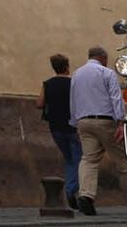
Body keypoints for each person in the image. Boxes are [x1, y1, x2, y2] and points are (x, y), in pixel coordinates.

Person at [69, 46, 127, 216]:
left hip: (83, 121)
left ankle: (86, 195)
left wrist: (75, 122)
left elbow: (73, 100)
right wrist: (121, 122)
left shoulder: (77, 74)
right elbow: (116, 98)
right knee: (122, 163)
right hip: (105, 121)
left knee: (88, 160)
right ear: (102, 58)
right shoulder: (107, 73)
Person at [37, 53, 80, 209]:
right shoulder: (72, 83)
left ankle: (71, 187)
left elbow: (39, 103)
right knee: (78, 158)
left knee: (69, 158)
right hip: (72, 126)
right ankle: (71, 189)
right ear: (67, 67)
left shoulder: (47, 84)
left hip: (55, 127)